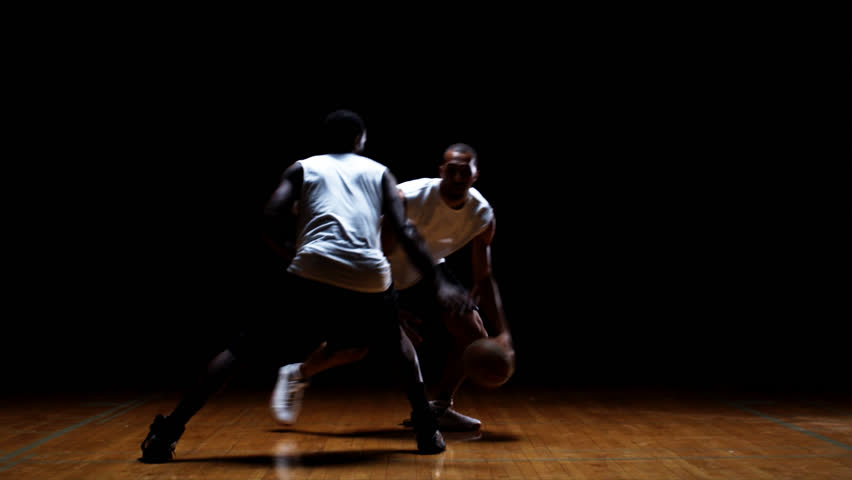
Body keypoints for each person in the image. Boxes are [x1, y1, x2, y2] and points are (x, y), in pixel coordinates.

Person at [139, 109, 474, 462]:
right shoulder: (380, 172)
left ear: (326, 141)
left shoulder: (303, 167)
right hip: (368, 273)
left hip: (312, 267)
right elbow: (404, 231)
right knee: (397, 345)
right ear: (361, 140)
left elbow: (270, 215)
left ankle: (167, 432)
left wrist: (292, 253)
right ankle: (426, 430)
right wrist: (439, 283)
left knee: (239, 351)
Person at [271, 142, 513, 433]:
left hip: (425, 269)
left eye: (465, 172)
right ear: (441, 172)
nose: (458, 178)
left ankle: (439, 408)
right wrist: (390, 309)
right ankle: (298, 373)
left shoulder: (483, 215)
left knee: (473, 330)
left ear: (475, 175)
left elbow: (484, 277)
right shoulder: (409, 196)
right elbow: (377, 249)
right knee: (356, 348)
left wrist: (503, 333)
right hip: (372, 269)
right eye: (452, 171)